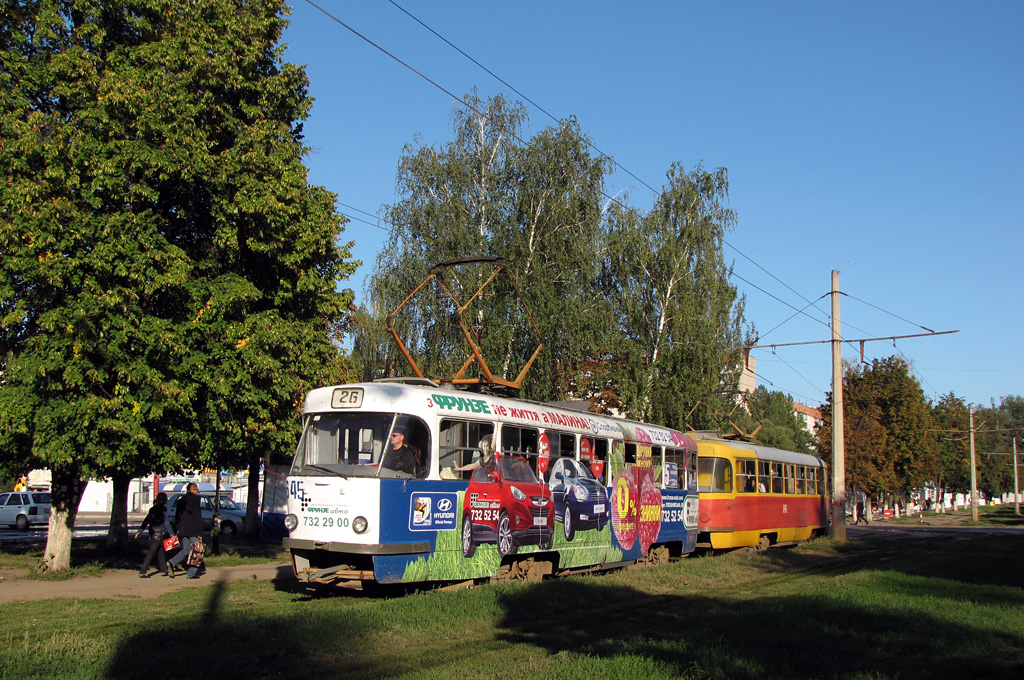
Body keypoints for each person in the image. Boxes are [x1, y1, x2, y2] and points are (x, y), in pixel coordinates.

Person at [167, 483, 204, 579]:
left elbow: (177, 516)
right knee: (197, 550)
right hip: (193, 530)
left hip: (183, 529)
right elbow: (197, 516)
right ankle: (191, 573)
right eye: (196, 490)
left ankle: (172, 562)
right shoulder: (196, 500)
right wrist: (200, 532)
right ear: (194, 490)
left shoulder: (181, 501)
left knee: (187, 549)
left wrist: (178, 527)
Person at [136, 492, 174, 578]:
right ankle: (143, 571)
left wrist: (140, 531)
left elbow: (146, 521)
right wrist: (172, 534)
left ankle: (164, 570)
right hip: (160, 533)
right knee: (151, 552)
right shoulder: (163, 509)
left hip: (152, 533)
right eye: (166, 498)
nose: (167, 500)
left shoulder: (152, 509)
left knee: (160, 551)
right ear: (163, 499)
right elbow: (167, 523)